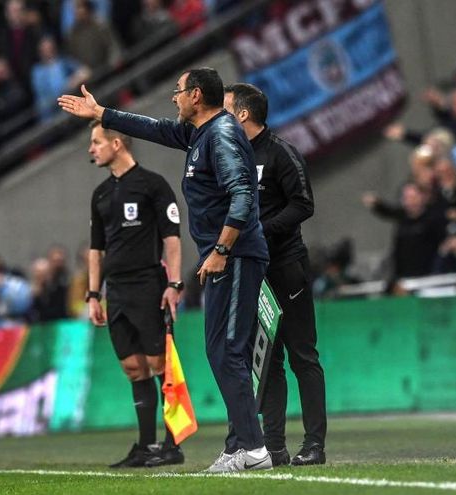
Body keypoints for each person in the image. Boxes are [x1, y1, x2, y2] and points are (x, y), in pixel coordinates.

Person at [58, 68, 273, 471]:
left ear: (195, 96)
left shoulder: (222, 135)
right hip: (222, 255)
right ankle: (240, 444)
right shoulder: (200, 134)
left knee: (228, 350)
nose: (172, 98)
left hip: (236, 254)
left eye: (177, 92)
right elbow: (153, 128)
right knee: (221, 351)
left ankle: (254, 449)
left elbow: (243, 196)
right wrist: (101, 112)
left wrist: (223, 249)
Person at [224, 82, 327, 466]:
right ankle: (274, 446)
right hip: (253, 272)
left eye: (226, 107)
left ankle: (314, 445)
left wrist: (259, 232)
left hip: (286, 267)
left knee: (303, 356)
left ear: (243, 114)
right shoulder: (231, 155)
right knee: (266, 361)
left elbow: (304, 204)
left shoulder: (282, 153)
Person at [84, 121, 184, 468]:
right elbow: (95, 250)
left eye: (96, 142)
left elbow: (172, 239)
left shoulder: (153, 185)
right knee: (133, 367)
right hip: (117, 292)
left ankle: (173, 444)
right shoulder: (100, 194)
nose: (91, 149)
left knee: (159, 364)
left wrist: (174, 284)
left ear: (117, 143)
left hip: (149, 286)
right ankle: (145, 446)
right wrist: (94, 293)